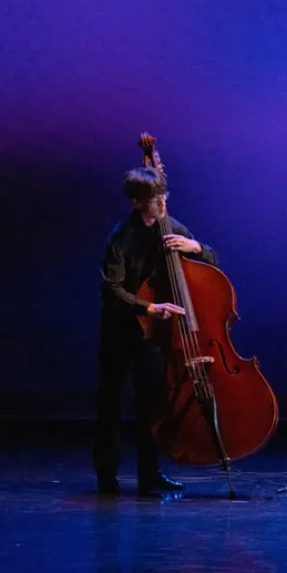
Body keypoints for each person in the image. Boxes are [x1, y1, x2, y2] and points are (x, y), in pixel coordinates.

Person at [95, 156, 218, 496]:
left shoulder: (172, 226)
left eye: (165, 196)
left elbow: (211, 259)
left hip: (154, 335)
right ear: (137, 202)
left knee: (152, 406)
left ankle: (150, 476)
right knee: (111, 405)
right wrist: (150, 306)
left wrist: (196, 248)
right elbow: (112, 290)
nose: (163, 203)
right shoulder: (121, 238)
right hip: (120, 330)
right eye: (155, 199)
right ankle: (107, 478)